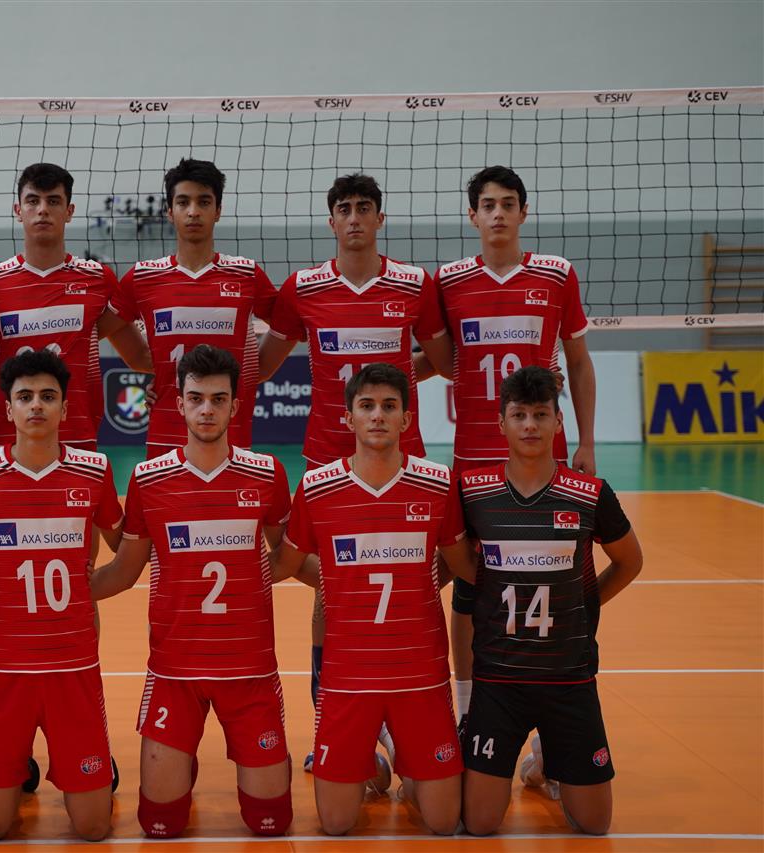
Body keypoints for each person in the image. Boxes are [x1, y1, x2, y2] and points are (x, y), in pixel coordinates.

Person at [258, 173, 453, 768]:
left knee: (414, 577)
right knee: (330, 590)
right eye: (344, 209)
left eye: (364, 208)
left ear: (379, 218)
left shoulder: (414, 284)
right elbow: (262, 365)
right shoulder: (303, 288)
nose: (354, 218)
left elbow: (444, 361)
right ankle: (337, 727)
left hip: (403, 459)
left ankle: (403, 713)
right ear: (331, 221)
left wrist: (388, 389)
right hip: (326, 458)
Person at [92, 344, 293, 839]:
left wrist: (348, 573)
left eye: (218, 399)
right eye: (197, 398)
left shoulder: (267, 474)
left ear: (235, 406)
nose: (207, 410)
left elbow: (289, 557)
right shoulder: (148, 480)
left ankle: (191, 758)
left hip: (249, 670)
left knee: (270, 823)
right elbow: (123, 571)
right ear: (179, 403)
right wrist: (61, 591)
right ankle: (180, 758)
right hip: (175, 672)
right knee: (159, 824)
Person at [271, 363, 471, 836]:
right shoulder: (317, 488)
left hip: (420, 675)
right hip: (348, 679)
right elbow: (286, 563)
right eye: (366, 406)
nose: (378, 415)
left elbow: (462, 565)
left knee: (444, 821)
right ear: (348, 418)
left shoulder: (437, 483)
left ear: (406, 419)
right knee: (336, 823)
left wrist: (421, 578)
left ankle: (401, 758)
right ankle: (374, 764)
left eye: (389, 406)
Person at [432, 166, 598, 733]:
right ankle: (466, 710)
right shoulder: (449, 281)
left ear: (524, 212)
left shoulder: (555, 274)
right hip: (473, 459)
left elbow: (578, 362)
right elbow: (437, 360)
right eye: (488, 205)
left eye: (508, 203)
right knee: (467, 586)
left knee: (555, 582)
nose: (498, 213)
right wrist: (373, 381)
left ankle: (556, 718)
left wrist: (587, 441)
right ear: (472, 215)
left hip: (542, 457)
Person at [448, 365, 641, 836]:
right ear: (502, 423)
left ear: (558, 421)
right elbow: (456, 566)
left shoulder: (590, 495)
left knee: (594, 825)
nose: (530, 425)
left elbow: (630, 561)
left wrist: (586, 603)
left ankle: (544, 762)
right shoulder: (473, 492)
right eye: (519, 415)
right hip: (499, 682)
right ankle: (537, 757)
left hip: (569, 680)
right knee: (479, 824)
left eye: (540, 414)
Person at [0, 350, 122, 841]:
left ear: (65, 408)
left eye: (48, 397)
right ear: (7, 408)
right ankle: (18, 761)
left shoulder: (93, 470)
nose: (36, 406)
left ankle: (87, 762)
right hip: (3, 667)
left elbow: (126, 546)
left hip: (73, 666)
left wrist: (88, 589)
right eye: (24, 397)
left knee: (93, 828)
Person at [108, 159, 276, 457]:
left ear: (218, 210)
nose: (193, 211)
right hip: (165, 438)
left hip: (231, 436)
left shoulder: (247, 275)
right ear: (169, 211)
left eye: (204, 202)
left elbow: (289, 328)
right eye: (183, 202)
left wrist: (250, 376)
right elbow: (117, 337)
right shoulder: (142, 278)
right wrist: (164, 375)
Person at [0, 162, 152, 451]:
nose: (42, 210)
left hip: (79, 438)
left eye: (53, 201)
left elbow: (139, 354)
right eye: (33, 201)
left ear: (69, 211)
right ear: (18, 210)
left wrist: (177, 384)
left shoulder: (98, 279)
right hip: (11, 440)